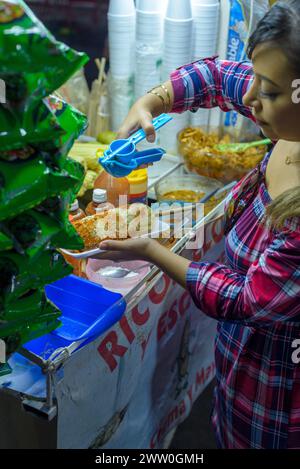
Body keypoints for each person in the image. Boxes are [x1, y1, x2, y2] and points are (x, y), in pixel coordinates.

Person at [96, 1, 300, 448]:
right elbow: (218, 77)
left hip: (276, 399)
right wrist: (154, 99)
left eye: (268, 92)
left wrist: (152, 250)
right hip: (237, 368)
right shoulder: (287, 123)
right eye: (258, 81)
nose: (250, 100)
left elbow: (248, 299)